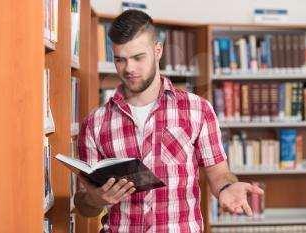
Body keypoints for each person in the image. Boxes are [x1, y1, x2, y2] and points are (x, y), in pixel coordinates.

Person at [74, 9, 264, 233]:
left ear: (158, 50)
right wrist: (96, 199)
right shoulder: (94, 124)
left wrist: (228, 187)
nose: (129, 68)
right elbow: (83, 205)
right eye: (120, 59)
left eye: (138, 57)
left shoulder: (197, 110)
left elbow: (219, 173)